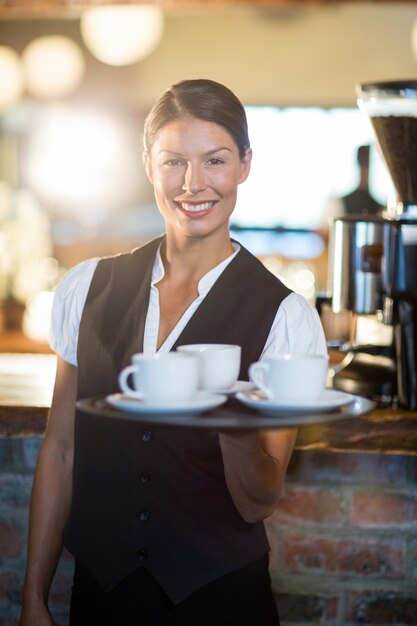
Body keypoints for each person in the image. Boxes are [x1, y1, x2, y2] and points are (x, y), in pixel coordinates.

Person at [19, 79, 327, 626]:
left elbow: (259, 502)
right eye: (173, 162)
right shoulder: (87, 287)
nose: (193, 184)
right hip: (102, 600)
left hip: (221, 602)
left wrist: (233, 428)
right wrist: (33, 600)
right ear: (148, 165)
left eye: (215, 160)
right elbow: (61, 450)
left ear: (245, 165)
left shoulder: (285, 318)